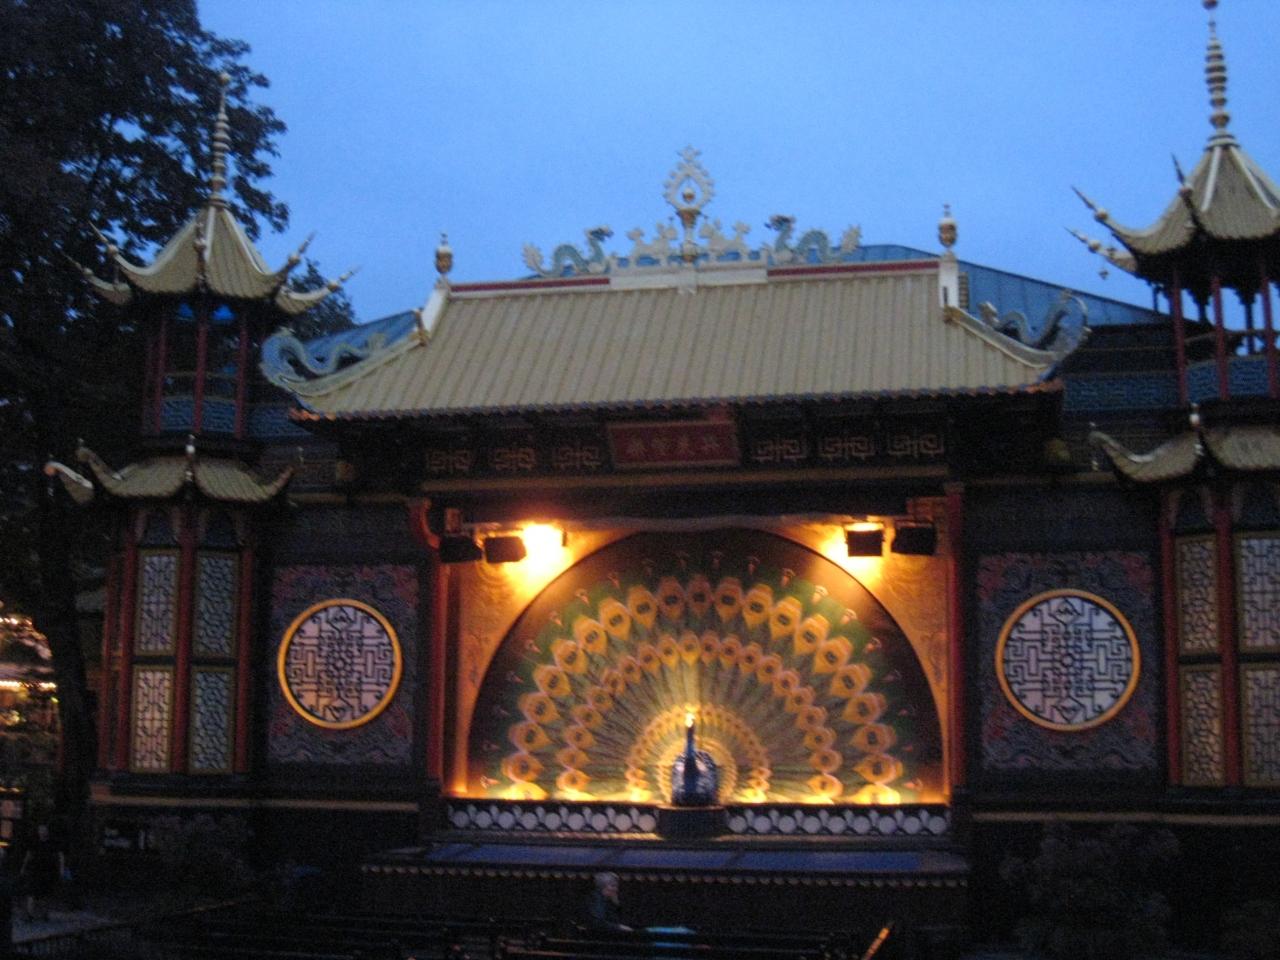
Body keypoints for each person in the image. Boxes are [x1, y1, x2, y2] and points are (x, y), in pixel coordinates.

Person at [18, 823, 64, 922]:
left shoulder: (52, 843)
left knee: (45, 894)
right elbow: (28, 855)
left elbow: (60, 856)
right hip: (35, 870)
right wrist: (23, 867)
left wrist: (61, 869)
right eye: (41, 830)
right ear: (38, 831)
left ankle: (44, 914)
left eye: (44, 830)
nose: (42, 832)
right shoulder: (34, 842)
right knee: (31, 893)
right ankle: (30, 914)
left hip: (48, 871)